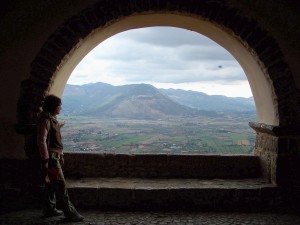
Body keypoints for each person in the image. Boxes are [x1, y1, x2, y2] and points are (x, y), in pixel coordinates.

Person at [37, 94, 84, 222]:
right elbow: (42, 140)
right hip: (51, 158)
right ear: (53, 107)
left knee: (50, 185)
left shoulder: (51, 119)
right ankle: (70, 213)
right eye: (59, 106)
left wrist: (61, 154)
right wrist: (46, 159)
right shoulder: (46, 120)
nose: (60, 108)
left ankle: (49, 209)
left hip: (54, 156)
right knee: (60, 185)